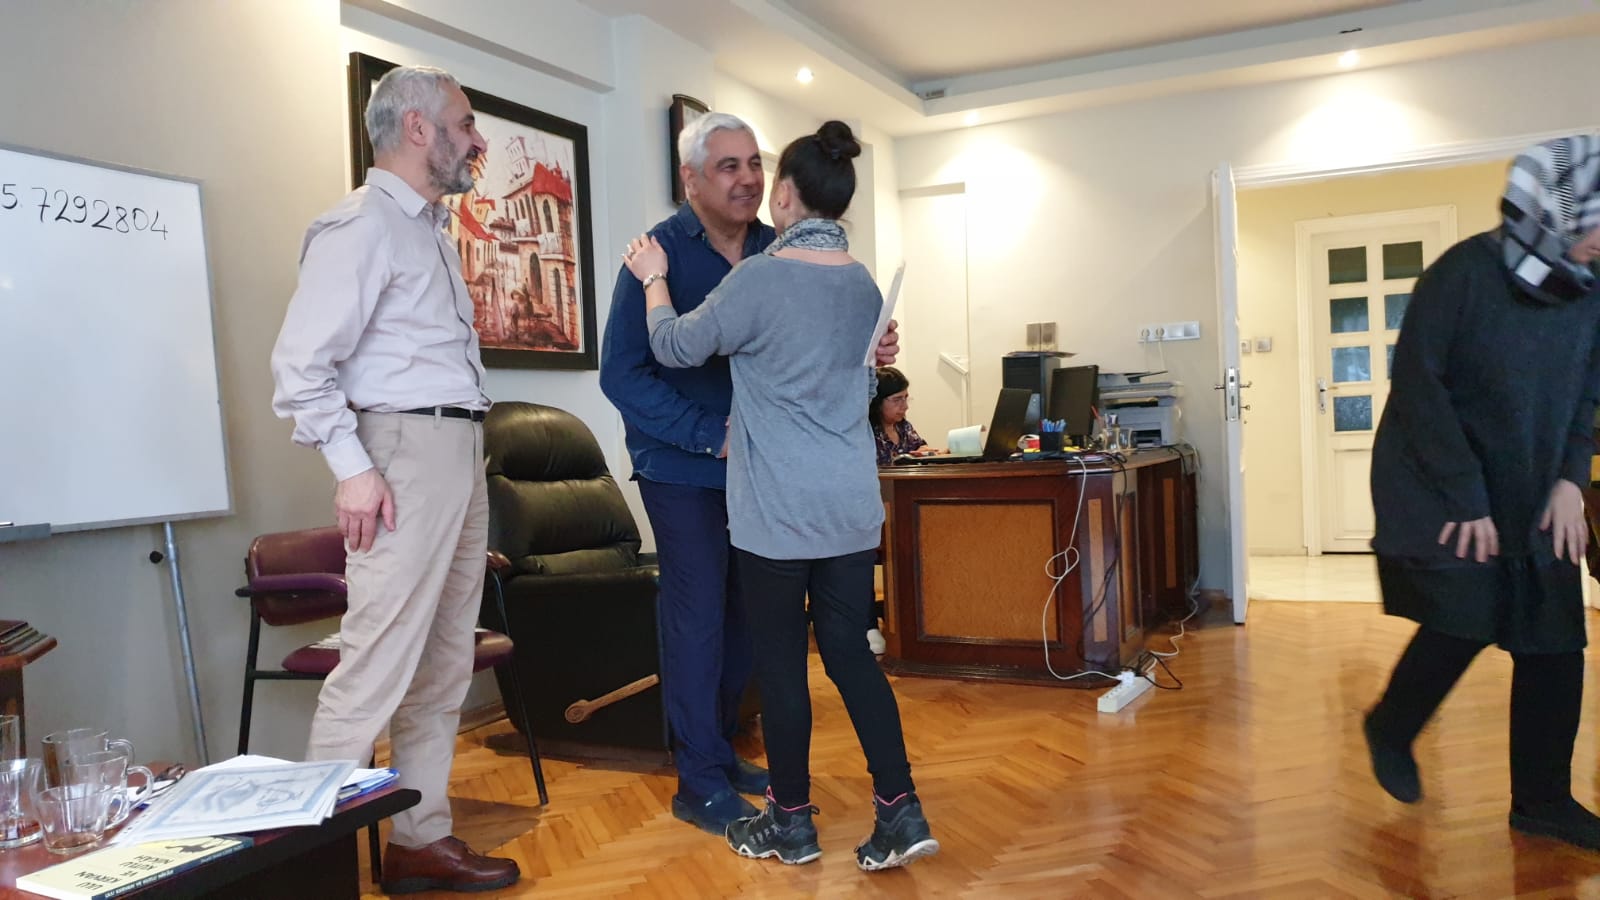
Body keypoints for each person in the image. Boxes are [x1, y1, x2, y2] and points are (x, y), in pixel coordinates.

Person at [622, 120, 938, 871]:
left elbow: (672, 347)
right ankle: (899, 808)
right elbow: (858, 379)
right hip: (850, 505)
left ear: (787, 195)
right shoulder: (861, 285)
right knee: (851, 657)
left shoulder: (759, 277)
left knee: (782, 663)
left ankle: (791, 823)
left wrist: (654, 279)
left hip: (779, 510)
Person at [269, 65, 520, 894]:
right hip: (402, 452)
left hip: (457, 449)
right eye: (465, 122)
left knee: (444, 662)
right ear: (417, 128)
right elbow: (301, 368)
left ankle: (417, 839)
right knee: (375, 665)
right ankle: (313, 870)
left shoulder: (431, 231)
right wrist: (354, 470)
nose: (477, 139)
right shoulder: (361, 225)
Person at [1361, 134, 1600, 851]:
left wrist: (1572, 479)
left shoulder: (1591, 288)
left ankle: (1542, 802)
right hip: (1444, 478)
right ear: (1552, 210)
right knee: (1464, 617)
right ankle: (1391, 726)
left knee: (1555, 639)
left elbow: (1588, 393)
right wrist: (1467, 497)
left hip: (1539, 483)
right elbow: (1419, 391)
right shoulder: (1462, 274)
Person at [870, 366, 929, 465]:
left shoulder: (904, 427)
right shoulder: (867, 433)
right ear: (877, 401)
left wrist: (926, 453)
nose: (905, 406)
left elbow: (920, 450)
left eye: (905, 398)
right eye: (897, 400)